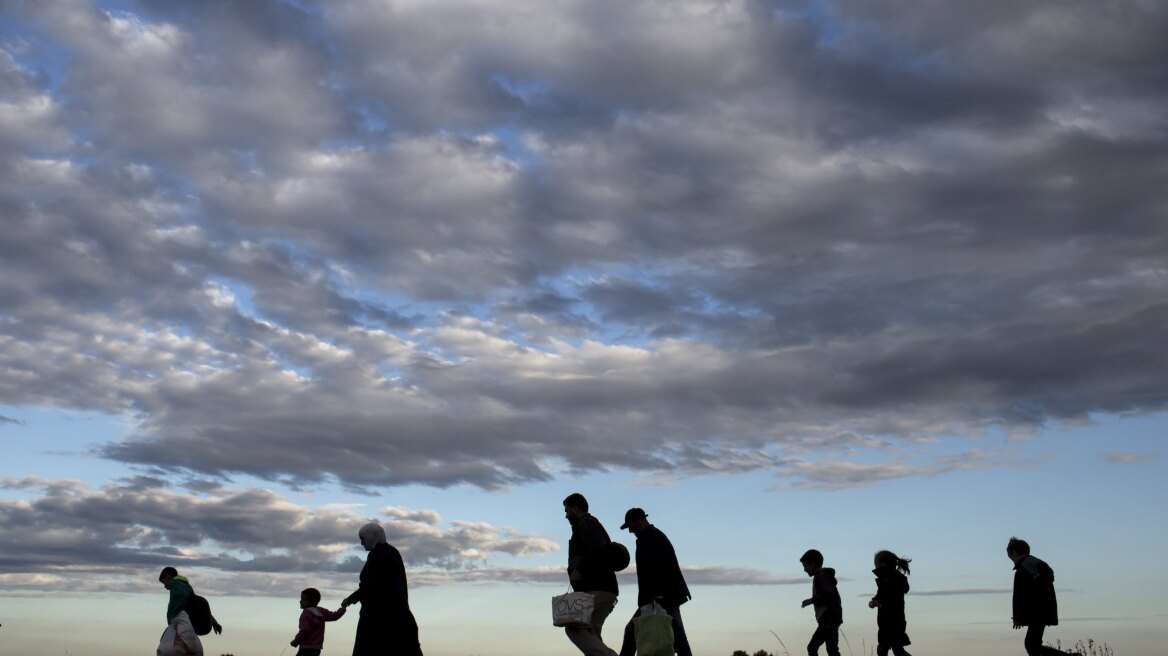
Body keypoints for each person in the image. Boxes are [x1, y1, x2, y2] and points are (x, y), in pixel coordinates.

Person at [617, 507, 692, 656]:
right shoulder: (653, 536)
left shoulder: (650, 538)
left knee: (632, 630)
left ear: (639, 521)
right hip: (665, 596)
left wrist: (656, 596)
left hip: (660, 597)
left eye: (630, 526)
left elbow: (656, 569)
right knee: (677, 635)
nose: (630, 531)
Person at [341, 522, 423, 656]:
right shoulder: (392, 552)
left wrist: (351, 599)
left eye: (363, 539)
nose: (361, 543)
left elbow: (372, 584)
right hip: (400, 615)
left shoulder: (376, 554)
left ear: (372, 536)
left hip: (379, 618)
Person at [563, 492, 620, 656]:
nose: (566, 515)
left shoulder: (586, 523)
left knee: (573, 627)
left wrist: (578, 570)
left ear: (575, 508)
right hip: (605, 587)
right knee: (591, 633)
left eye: (567, 510)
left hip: (596, 587)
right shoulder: (591, 524)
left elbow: (596, 550)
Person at [1008, 537, 1076, 656]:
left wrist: (1018, 617)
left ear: (1013, 552)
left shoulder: (1023, 568)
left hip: (1037, 612)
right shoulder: (1035, 565)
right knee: (1033, 644)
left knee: (1031, 645)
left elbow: (1020, 595)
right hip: (1044, 610)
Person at [157, 567, 222, 656]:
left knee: (168, 645)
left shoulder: (174, 584)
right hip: (185, 622)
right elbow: (195, 605)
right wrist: (214, 622)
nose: (165, 586)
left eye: (164, 582)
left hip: (179, 620)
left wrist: (175, 614)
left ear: (167, 576)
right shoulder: (186, 586)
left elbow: (183, 596)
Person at [868, 550, 912, 656]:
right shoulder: (892, 578)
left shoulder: (889, 579)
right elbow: (884, 594)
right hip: (895, 622)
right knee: (896, 649)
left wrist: (877, 602)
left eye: (876, 564)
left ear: (883, 564)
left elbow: (887, 595)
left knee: (885, 649)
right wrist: (876, 600)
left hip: (889, 622)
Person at [800, 549, 842, 656]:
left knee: (812, 647)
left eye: (805, 566)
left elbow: (828, 594)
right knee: (832, 650)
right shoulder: (823, 576)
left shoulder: (821, 576)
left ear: (813, 564)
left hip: (828, 619)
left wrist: (811, 600)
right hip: (832, 619)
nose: (804, 570)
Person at [291, 587, 346, 656]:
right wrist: (343, 608)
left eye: (304, 599)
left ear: (312, 601)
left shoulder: (306, 614)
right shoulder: (321, 611)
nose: (300, 601)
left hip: (305, 647)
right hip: (317, 648)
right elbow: (334, 616)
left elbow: (304, 631)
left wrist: (296, 641)